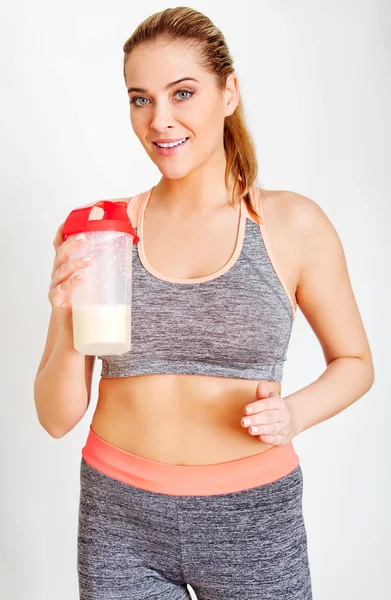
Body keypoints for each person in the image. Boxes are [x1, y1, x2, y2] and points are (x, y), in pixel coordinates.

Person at [34, 6, 375, 600]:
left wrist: (295, 413)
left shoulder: (291, 224)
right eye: (140, 99)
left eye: (182, 93)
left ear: (228, 92)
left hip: (252, 521)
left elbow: (356, 363)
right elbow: (57, 417)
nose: (160, 120)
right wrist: (64, 314)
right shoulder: (98, 233)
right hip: (119, 519)